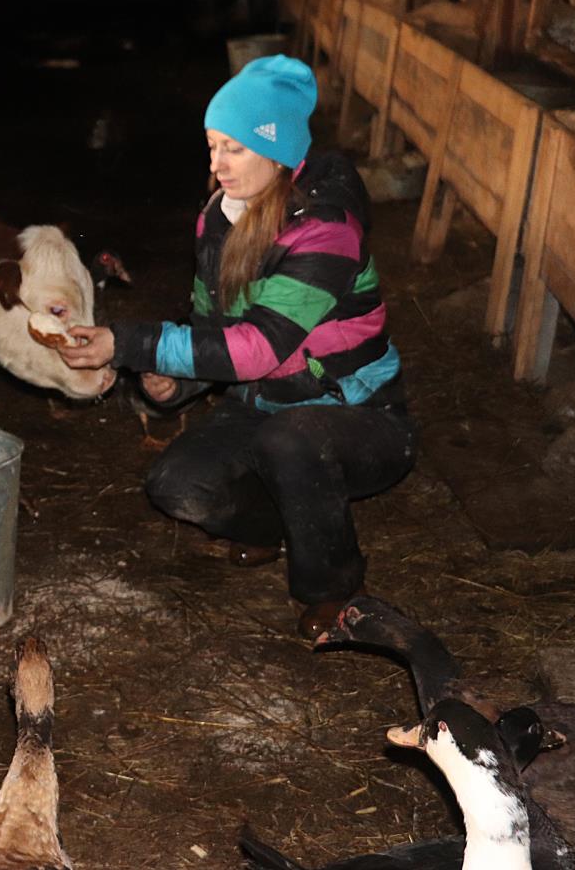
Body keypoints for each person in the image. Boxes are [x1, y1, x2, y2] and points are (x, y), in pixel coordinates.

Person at [59, 54, 417, 639]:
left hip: (358, 417)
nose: (216, 164)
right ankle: (275, 524)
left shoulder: (326, 230)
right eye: (211, 145)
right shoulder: (219, 219)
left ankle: (335, 588)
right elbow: (212, 328)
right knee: (175, 485)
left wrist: (130, 343)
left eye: (234, 148)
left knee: (291, 440)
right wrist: (173, 381)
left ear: (276, 151)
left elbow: (258, 349)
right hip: (263, 405)